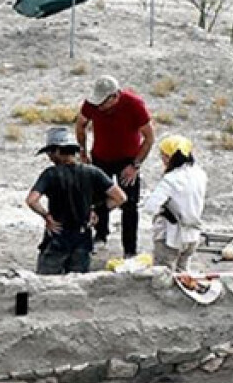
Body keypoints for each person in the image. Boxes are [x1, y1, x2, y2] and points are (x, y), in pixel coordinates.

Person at [25, 127, 127, 275]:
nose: (49, 157)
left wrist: (46, 216)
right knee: (78, 283)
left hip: (58, 236)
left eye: (50, 152)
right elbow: (120, 198)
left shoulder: (50, 174)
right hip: (83, 237)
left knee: (46, 281)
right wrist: (97, 210)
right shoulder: (92, 172)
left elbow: (32, 200)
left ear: (58, 151)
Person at [76, 75, 155, 258]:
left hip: (127, 160)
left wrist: (135, 165)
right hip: (100, 157)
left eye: (103, 102)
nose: (99, 107)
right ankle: (100, 236)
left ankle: (129, 249)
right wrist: (82, 151)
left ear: (115, 96)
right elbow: (80, 125)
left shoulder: (134, 105)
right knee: (98, 199)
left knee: (129, 204)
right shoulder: (92, 104)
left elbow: (149, 138)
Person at [143, 134, 208, 274]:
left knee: (162, 275)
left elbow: (150, 207)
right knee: (183, 273)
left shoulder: (171, 180)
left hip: (170, 237)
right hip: (192, 235)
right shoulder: (200, 174)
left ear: (168, 157)